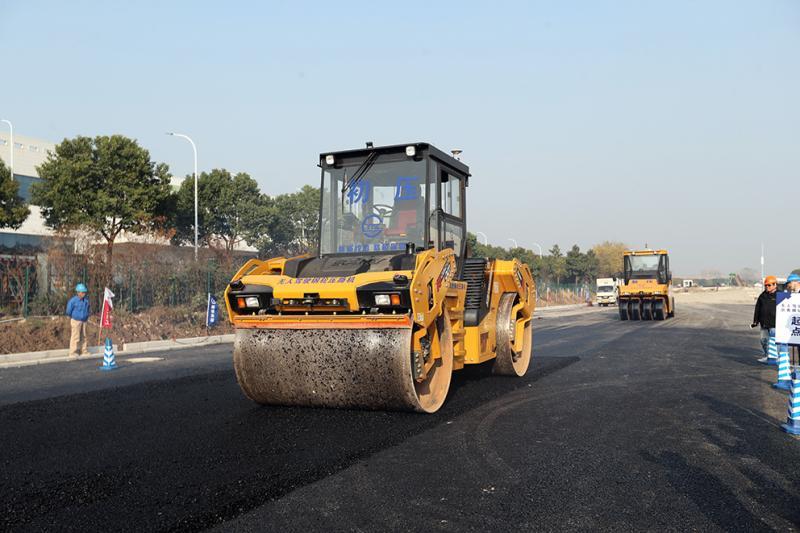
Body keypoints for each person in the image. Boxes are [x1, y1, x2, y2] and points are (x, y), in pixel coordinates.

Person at [752, 275, 777, 363]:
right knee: (763, 341)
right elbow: (757, 308)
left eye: (769, 285)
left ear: (775, 285)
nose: (767, 287)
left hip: (775, 324)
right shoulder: (762, 296)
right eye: (766, 285)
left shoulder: (780, 295)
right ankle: (767, 356)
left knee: (774, 341)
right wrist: (755, 321)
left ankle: (775, 357)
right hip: (764, 323)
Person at [66, 283, 91, 357]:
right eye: (82, 292)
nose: (84, 294)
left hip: (84, 321)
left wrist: (87, 316)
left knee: (84, 336)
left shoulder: (86, 301)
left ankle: (84, 351)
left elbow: (88, 309)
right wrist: (73, 316)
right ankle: (73, 352)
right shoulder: (73, 301)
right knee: (75, 336)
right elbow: (68, 311)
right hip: (76, 320)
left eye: (84, 292)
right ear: (78, 292)